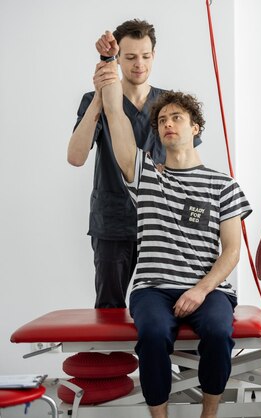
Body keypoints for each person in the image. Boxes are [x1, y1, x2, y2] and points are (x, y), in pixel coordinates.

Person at [97, 41, 251, 418]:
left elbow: (232, 250)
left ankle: (209, 413)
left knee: (217, 332)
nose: (167, 123)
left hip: (207, 288)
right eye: (162, 120)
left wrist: (200, 290)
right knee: (151, 335)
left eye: (177, 117)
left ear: (195, 127)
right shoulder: (146, 175)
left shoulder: (223, 185)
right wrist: (109, 64)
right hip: (153, 289)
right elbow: (115, 116)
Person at [67, 19, 199, 308]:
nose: (139, 64)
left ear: (154, 55)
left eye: (145, 56)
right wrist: (101, 96)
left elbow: (190, 164)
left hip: (163, 223)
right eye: (129, 57)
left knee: (169, 308)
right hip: (113, 222)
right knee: (110, 309)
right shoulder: (94, 100)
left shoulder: (169, 106)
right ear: (118, 61)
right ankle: (114, 356)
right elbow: (75, 157)